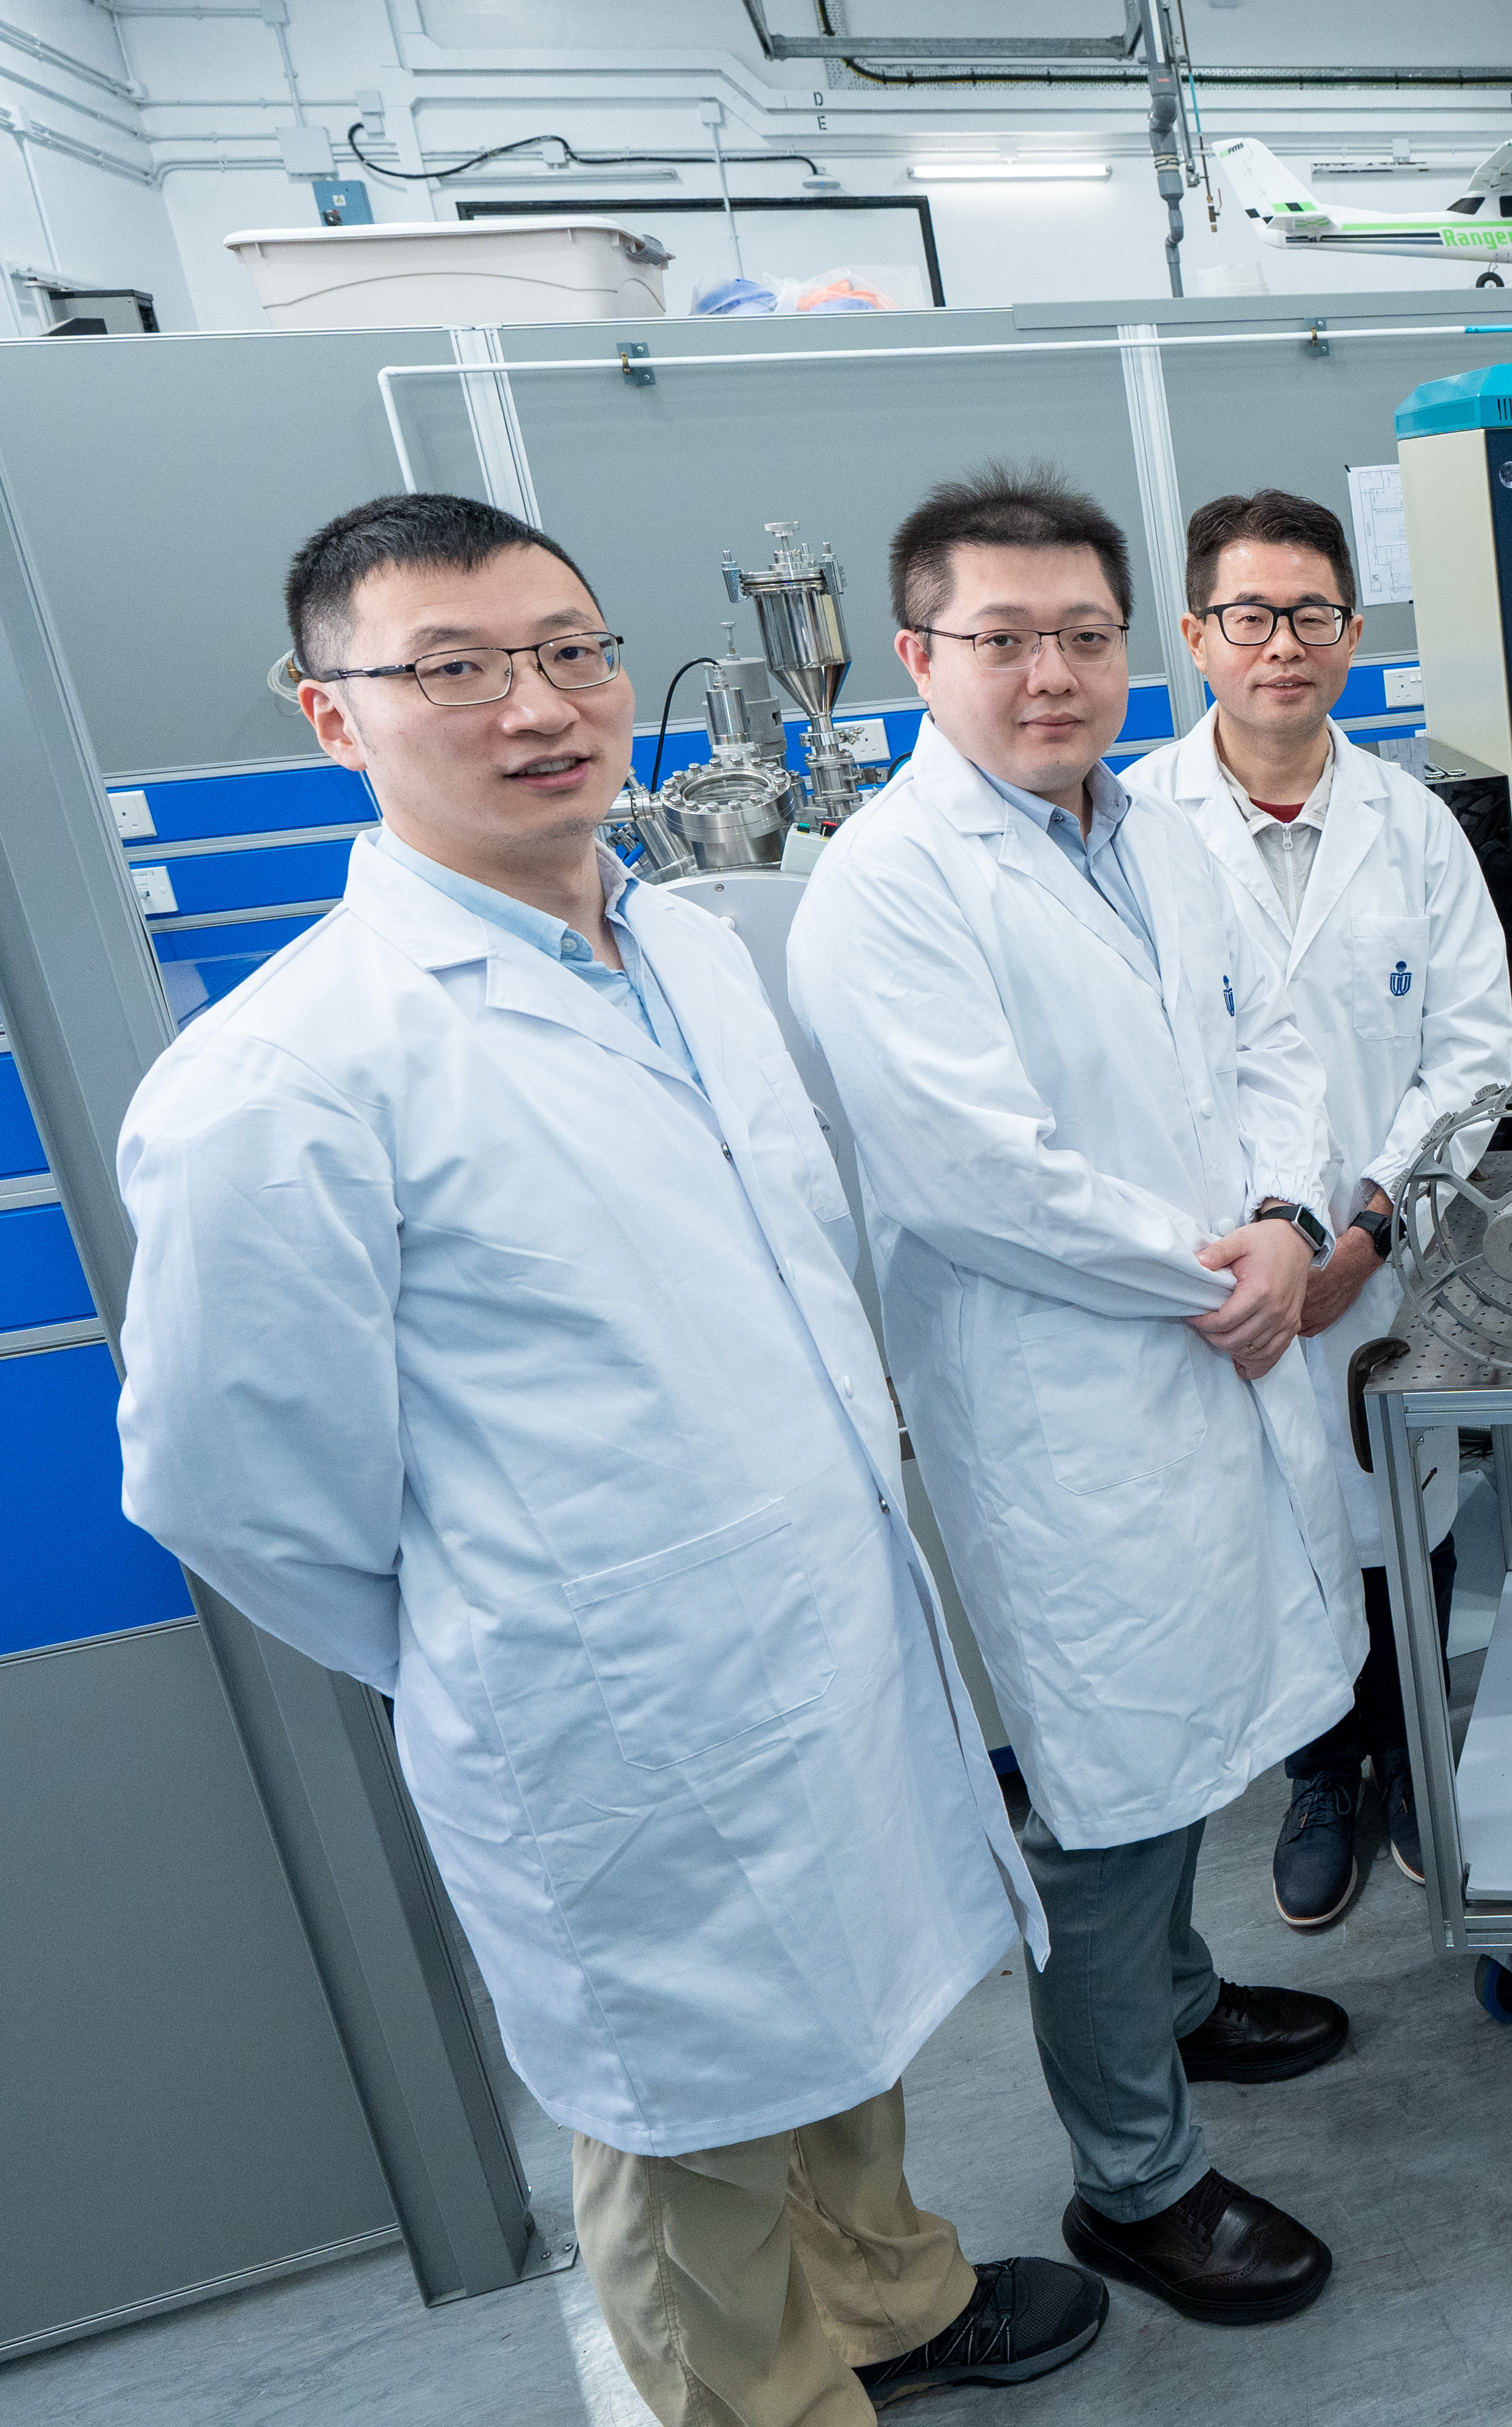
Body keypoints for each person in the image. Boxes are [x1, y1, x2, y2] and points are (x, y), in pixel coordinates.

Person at [116, 493, 1102, 2427]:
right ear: (331, 717)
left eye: (570, 651)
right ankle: (767, 2403)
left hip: (812, 1625)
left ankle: (890, 2303)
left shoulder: (680, 950)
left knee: (847, 2020)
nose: (537, 706)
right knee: (690, 2130)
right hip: (608, 1708)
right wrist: (526, 1631)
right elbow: (235, 1488)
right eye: (454, 670)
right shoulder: (285, 1080)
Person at [785, 465, 1360, 2330]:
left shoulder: (1154, 827)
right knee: (1112, 1806)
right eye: (1005, 639)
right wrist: (1237, 1269)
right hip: (1074, 1406)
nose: (1053, 673)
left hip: (1221, 1337)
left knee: (1205, 1729)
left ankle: (1189, 2009)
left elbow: (1272, 1031)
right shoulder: (885, 891)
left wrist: (1284, 1215)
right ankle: (1138, 2174)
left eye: (1086, 636)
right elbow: (985, 1180)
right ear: (916, 656)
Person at [1124, 487, 1512, 1928]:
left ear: (1352, 636)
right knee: (1269, 1528)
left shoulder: (1412, 829)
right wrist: (1271, 1251)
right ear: (1195, 636)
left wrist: (1365, 1232)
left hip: (1382, 1264)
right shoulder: (1129, 835)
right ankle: (1319, 1767)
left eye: (1309, 617)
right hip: (1214, 1272)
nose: (1280, 644)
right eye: (1248, 616)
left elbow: (1469, 1056)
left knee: (1394, 1508)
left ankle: (1414, 1748)